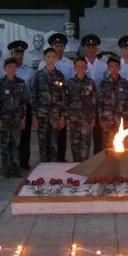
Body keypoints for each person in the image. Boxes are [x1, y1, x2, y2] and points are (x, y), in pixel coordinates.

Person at [39, 32, 75, 160]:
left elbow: (68, 87)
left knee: (60, 135)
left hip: (59, 107)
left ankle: (60, 158)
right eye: (56, 46)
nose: (58, 48)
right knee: (45, 137)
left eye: (61, 46)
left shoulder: (69, 64)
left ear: (64, 47)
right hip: (44, 109)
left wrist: (64, 112)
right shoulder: (42, 67)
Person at [0, 57, 28, 178]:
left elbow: (24, 102)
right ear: (4, 68)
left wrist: (23, 118)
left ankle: (15, 168)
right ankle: (6, 169)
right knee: (5, 145)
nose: (12, 69)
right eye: (9, 67)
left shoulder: (21, 83)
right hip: (5, 119)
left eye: (14, 67)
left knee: (15, 145)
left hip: (17, 120)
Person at [31, 47, 66, 162]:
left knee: (54, 143)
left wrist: (62, 116)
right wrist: (34, 116)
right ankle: (43, 166)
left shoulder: (60, 76)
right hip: (41, 115)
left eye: (53, 57)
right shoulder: (39, 75)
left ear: (56, 59)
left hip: (55, 116)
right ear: (44, 58)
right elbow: (34, 96)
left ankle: (52, 168)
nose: (51, 59)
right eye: (48, 57)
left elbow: (63, 97)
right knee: (42, 142)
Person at [9, 40, 35, 169]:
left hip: (25, 107)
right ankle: (11, 163)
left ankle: (24, 162)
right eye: (16, 52)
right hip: (9, 108)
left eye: (20, 53)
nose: (18, 55)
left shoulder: (29, 71)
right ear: (11, 53)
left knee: (25, 136)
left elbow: (33, 90)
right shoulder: (6, 69)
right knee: (10, 136)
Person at [66, 57, 98, 161]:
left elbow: (94, 102)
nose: (80, 68)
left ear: (86, 67)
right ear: (74, 68)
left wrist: (93, 118)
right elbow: (66, 101)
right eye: (78, 66)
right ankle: (75, 166)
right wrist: (66, 118)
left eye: (82, 66)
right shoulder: (69, 83)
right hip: (73, 119)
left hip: (86, 120)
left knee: (85, 144)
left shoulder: (90, 83)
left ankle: (84, 167)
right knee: (75, 145)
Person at [98, 56, 128, 149]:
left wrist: (126, 118)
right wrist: (101, 120)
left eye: (116, 66)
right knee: (107, 148)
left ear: (120, 67)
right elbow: (100, 104)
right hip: (107, 122)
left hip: (121, 122)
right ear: (108, 68)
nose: (114, 68)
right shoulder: (103, 83)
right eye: (111, 66)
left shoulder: (124, 83)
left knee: (122, 148)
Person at [81, 34, 107, 152]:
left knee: (99, 133)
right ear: (84, 49)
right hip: (84, 105)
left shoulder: (103, 65)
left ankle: (98, 159)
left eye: (93, 47)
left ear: (97, 49)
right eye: (88, 47)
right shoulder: (79, 64)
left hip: (99, 105)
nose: (91, 50)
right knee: (84, 136)